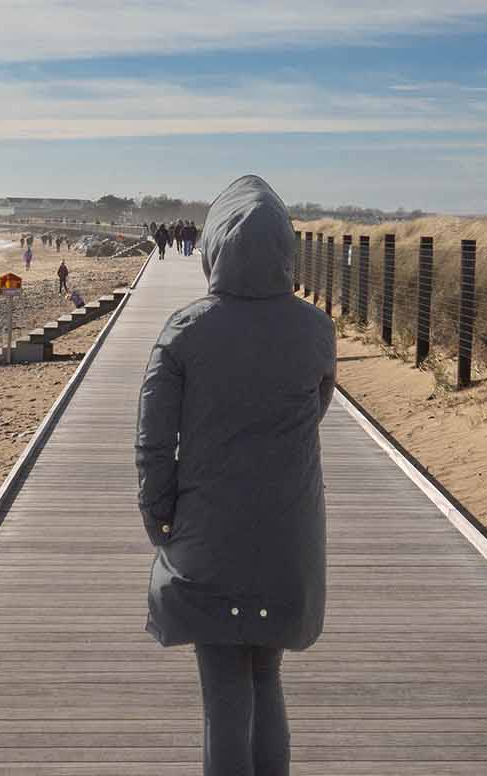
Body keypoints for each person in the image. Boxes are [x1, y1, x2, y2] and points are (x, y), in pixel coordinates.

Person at [137, 175, 335, 776]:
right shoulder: (315, 328)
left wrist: (158, 511)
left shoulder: (185, 330)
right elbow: (317, 405)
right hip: (288, 530)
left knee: (222, 690)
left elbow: (153, 439)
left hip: (207, 528)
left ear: (213, 246)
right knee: (266, 676)